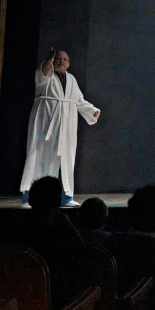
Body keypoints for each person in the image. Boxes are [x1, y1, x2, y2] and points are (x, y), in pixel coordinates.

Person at [19, 48, 101, 207]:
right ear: (51, 60)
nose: (61, 61)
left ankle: (66, 197)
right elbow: (44, 70)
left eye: (65, 59)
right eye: (58, 58)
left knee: (66, 159)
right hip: (45, 122)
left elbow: (78, 100)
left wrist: (92, 111)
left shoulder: (71, 79)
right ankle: (29, 197)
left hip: (66, 125)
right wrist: (49, 59)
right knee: (37, 157)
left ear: (69, 64)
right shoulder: (44, 77)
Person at [12, 176, 82, 245]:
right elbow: (81, 247)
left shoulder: (18, 233)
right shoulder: (61, 235)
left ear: (30, 200)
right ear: (58, 201)